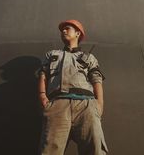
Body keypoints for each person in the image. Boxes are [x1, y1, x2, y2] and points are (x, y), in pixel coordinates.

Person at [36, 19, 108, 155]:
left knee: (95, 149)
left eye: (67, 28)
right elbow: (43, 76)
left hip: (86, 105)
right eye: (62, 30)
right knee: (50, 150)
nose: (63, 31)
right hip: (57, 104)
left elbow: (96, 79)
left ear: (78, 33)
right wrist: (43, 97)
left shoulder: (89, 57)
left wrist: (99, 104)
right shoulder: (52, 55)